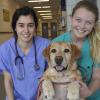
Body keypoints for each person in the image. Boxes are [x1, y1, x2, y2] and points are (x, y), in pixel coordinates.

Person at [52, 0, 100, 99]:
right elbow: (50, 73)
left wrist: (89, 92)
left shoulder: (96, 45)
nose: (82, 26)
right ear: (71, 18)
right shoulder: (56, 43)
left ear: (94, 24)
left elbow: (97, 77)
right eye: (78, 20)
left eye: (88, 23)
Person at [0, 6, 50, 100]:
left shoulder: (46, 45)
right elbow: (8, 80)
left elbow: (50, 74)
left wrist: (43, 96)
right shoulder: (5, 50)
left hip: (41, 97)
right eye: (21, 25)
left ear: (35, 27)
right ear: (15, 27)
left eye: (30, 25)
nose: (26, 30)